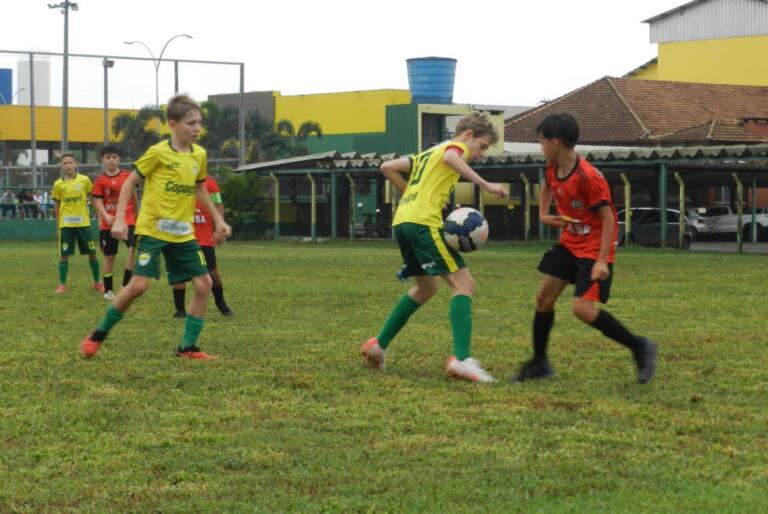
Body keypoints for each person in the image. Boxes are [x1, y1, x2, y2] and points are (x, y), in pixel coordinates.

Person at [80, 94, 232, 360]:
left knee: (204, 284)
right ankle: (98, 334)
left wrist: (218, 221)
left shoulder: (199, 155)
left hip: (183, 234)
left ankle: (187, 348)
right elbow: (130, 183)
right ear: (173, 124)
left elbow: (200, 189)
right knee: (138, 287)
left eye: (199, 122)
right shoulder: (158, 153)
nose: (197, 128)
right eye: (190, 123)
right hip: (152, 230)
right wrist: (118, 219)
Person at [360, 113, 507, 382]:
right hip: (422, 223)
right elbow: (452, 158)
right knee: (464, 285)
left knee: (426, 288)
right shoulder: (456, 148)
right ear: (467, 135)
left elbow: (387, 167)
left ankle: (377, 345)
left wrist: (410, 195)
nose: (481, 154)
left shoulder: (427, 153)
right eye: (482, 146)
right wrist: (485, 184)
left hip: (403, 222)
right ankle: (461, 359)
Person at [513, 113, 657, 384]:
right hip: (570, 243)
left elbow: (609, 219)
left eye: (542, 142)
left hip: (593, 249)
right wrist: (544, 214)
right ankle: (539, 363)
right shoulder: (552, 167)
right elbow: (546, 186)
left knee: (581, 309)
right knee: (544, 299)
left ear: (555, 142)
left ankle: (640, 346)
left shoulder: (589, 177)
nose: (541, 147)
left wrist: (602, 261)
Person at [171, 173, 233, 318]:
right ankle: (180, 310)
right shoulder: (175, 178)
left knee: (211, 272)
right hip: (181, 234)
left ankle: (221, 303)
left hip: (204, 236)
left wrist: (219, 226)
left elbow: (218, 204)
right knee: (178, 273)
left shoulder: (210, 181)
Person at [51, 154, 103, 294]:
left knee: (92, 253)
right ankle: (62, 285)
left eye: (70, 162)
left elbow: (94, 198)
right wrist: (57, 227)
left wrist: (98, 215)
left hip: (83, 224)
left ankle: (97, 282)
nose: (68, 165)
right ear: (61, 166)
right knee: (63, 255)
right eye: (65, 163)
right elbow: (57, 205)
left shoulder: (85, 180)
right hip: (66, 226)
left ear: (75, 164)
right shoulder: (58, 184)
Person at [92, 144, 138, 300]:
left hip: (128, 220)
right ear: (102, 160)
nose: (111, 160)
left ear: (119, 159)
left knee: (134, 249)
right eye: (108, 157)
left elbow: (134, 197)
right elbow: (97, 200)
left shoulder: (128, 176)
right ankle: (108, 290)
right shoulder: (100, 181)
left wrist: (137, 215)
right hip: (108, 223)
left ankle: (125, 285)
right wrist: (104, 215)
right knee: (109, 257)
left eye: (114, 157)